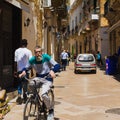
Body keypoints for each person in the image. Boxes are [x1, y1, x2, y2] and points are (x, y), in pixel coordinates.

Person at [20, 45, 60, 120]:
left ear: (42, 52)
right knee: (31, 84)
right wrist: (23, 71)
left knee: (44, 95)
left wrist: (53, 71)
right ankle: (35, 99)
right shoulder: (32, 60)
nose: (38, 53)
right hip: (38, 78)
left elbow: (57, 65)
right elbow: (26, 67)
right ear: (34, 53)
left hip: (47, 78)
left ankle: (50, 110)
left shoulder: (46, 57)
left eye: (39, 52)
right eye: (36, 52)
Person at [14, 39, 33, 104]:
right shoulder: (29, 51)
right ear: (26, 44)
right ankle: (25, 96)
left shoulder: (17, 51)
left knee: (19, 83)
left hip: (19, 70)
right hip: (26, 71)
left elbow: (15, 62)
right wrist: (32, 70)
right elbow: (31, 61)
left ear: (20, 44)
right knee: (25, 84)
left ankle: (19, 94)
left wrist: (15, 71)